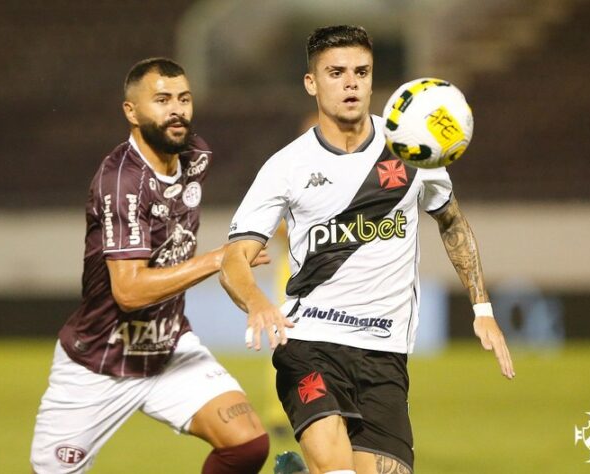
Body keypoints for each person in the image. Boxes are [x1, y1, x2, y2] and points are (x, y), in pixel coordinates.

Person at [219, 26, 515, 474]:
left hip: (385, 354)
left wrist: (482, 307)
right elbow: (233, 259)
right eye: (336, 72)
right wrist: (257, 301)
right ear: (311, 83)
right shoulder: (286, 167)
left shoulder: (414, 149)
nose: (351, 83)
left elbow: (451, 221)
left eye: (361, 71)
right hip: (310, 344)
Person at [30, 58, 270, 474]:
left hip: (168, 349)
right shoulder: (121, 182)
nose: (177, 109)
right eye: (162, 100)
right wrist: (219, 258)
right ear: (131, 111)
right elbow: (130, 291)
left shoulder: (196, 155)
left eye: (184, 98)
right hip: (100, 361)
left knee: (247, 444)